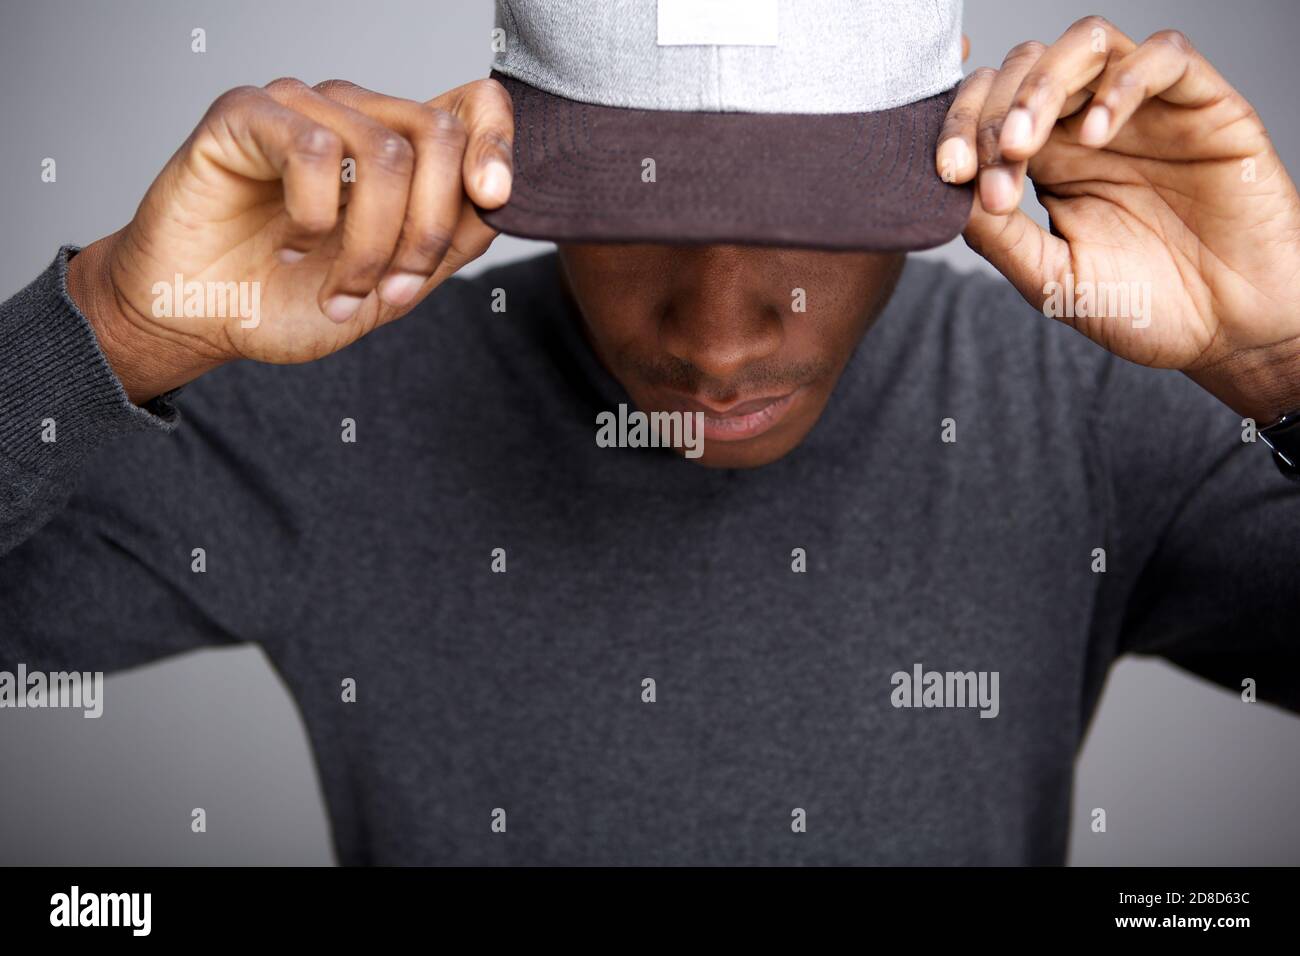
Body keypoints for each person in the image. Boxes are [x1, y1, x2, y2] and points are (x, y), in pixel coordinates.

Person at [2, 0, 1298, 865]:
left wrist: (1280, 367)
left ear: (953, 160)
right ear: (503, 157)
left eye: (811, 217)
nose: (720, 336)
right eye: (635, 213)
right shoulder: (330, 412)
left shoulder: (1084, 408)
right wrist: (109, 326)